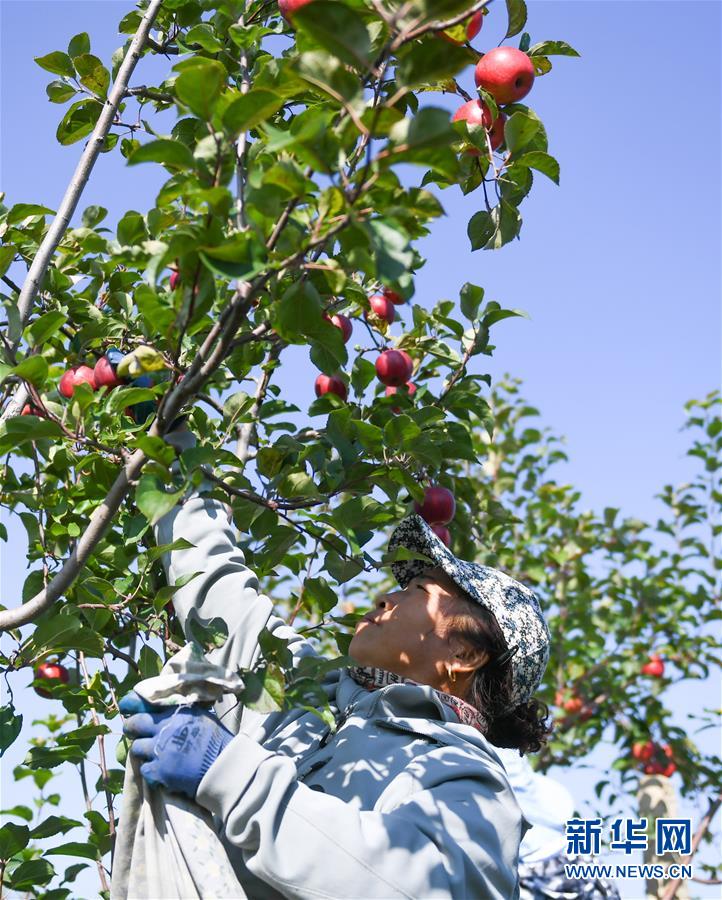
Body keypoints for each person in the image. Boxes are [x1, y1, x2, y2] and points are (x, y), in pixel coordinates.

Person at [120, 424, 553, 899]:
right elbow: (214, 581)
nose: (386, 597)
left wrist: (230, 774)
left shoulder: (464, 777)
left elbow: (424, 886)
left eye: (418, 592)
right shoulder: (299, 686)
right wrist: (170, 443)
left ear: (465, 654)